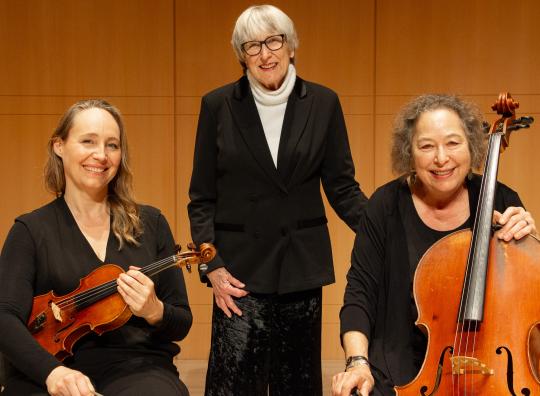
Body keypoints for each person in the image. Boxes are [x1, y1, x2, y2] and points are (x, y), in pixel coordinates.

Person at [188, 4, 368, 395]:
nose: (265, 54)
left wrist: (386, 224)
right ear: (242, 56)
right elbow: (201, 197)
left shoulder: (323, 103)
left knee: (297, 385)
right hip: (236, 275)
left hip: (300, 268)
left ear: (291, 46)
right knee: (234, 386)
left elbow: (342, 187)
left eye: (274, 41)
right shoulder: (217, 106)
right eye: (252, 46)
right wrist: (211, 266)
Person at [332, 94, 539, 396]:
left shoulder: (501, 200)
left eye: (453, 143)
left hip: (489, 370)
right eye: (427, 146)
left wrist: (528, 247)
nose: (441, 158)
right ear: (409, 153)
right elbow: (359, 294)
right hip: (401, 369)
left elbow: (526, 308)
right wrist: (357, 362)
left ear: (472, 146)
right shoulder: (385, 205)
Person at [0, 99, 192, 396]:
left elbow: (181, 322)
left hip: (136, 367)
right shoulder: (30, 230)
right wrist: (53, 373)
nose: (101, 155)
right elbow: (4, 317)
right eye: (88, 141)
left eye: (112, 145)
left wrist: (154, 310)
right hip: (50, 368)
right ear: (59, 146)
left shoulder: (150, 223)